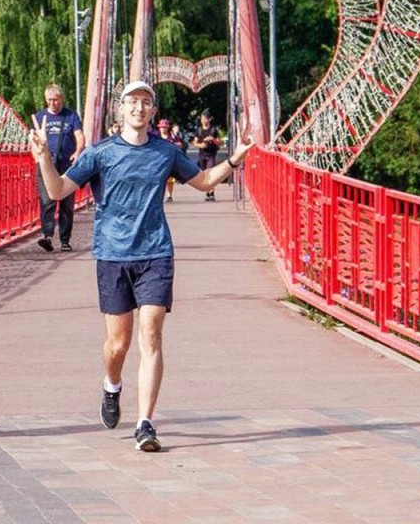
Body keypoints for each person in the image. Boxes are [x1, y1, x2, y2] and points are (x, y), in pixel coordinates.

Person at [28, 80, 255, 452]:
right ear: (121, 109)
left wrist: (236, 157)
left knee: (150, 336)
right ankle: (111, 385)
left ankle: (145, 423)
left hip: (155, 253)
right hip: (113, 255)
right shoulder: (100, 154)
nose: (138, 108)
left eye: (145, 102)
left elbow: (204, 181)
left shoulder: (165, 152)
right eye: (132, 102)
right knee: (118, 344)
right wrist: (43, 158)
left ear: (153, 111)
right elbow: (57, 192)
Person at [33, 83, 85, 252]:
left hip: (65, 164)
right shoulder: (39, 117)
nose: (52, 103)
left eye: (55, 100)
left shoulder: (71, 116)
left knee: (66, 204)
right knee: (47, 201)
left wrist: (78, 152)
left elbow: (79, 136)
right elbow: (32, 141)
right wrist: (37, 158)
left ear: (61, 98)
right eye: (49, 100)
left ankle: (65, 240)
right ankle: (47, 236)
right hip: (46, 164)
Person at [191, 109, 222, 201]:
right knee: (204, 173)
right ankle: (207, 191)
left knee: (211, 172)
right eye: (202, 118)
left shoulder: (214, 129)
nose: (203, 120)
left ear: (209, 120)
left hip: (211, 154)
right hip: (202, 154)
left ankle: (211, 192)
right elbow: (194, 142)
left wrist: (213, 139)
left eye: (205, 119)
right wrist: (200, 145)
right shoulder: (199, 130)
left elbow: (220, 142)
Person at [156, 119, 184, 202]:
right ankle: (159, 195)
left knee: (170, 180)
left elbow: (180, 144)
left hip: (170, 160)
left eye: (164, 127)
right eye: (161, 127)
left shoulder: (172, 136)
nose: (163, 129)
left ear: (167, 128)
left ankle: (169, 195)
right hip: (159, 161)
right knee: (160, 179)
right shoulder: (156, 137)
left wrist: (173, 144)